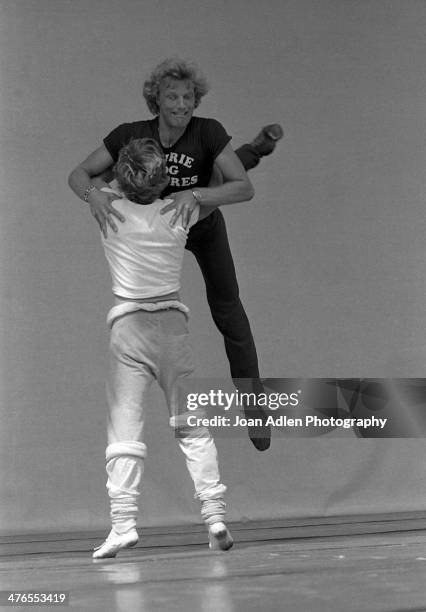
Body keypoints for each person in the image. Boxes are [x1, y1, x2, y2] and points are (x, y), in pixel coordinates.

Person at [68, 58, 283, 451]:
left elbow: (241, 188)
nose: (182, 105)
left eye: (188, 97)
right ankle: (256, 149)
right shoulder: (131, 135)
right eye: (173, 97)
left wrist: (197, 194)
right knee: (217, 173)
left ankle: (255, 405)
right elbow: (82, 174)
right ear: (157, 101)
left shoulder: (207, 131)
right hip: (156, 225)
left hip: (198, 220)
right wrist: (92, 194)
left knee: (229, 309)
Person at [91, 137, 233, 559]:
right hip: (172, 328)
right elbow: (219, 182)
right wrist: (194, 189)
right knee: (192, 424)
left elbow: (87, 177)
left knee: (124, 430)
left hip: (129, 329)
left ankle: (122, 524)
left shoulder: (108, 208)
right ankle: (215, 516)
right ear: (164, 178)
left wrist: (105, 181)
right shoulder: (180, 213)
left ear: (121, 176)